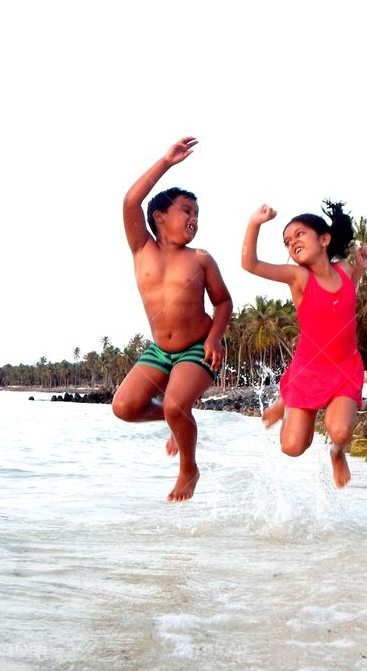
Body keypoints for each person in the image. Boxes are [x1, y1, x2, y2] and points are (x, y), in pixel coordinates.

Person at [111, 136, 232, 502]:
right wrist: (166, 161)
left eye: (197, 214)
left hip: (198, 347)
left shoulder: (200, 259)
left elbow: (223, 302)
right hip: (159, 351)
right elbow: (130, 201)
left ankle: (188, 469)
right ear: (160, 216)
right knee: (124, 407)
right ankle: (178, 422)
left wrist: (214, 338)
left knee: (176, 404)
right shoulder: (141, 249)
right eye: (186, 211)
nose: (193, 219)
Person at [241, 201, 367, 488]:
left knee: (339, 433)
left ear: (324, 239)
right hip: (308, 371)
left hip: (345, 367)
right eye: (288, 242)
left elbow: (346, 297)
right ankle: (288, 402)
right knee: (292, 447)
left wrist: (360, 268)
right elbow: (250, 264)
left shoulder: (345, 269)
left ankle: (337, 454)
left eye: (299, 234)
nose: (293, 243)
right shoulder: (298, 277)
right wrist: (254, 223)